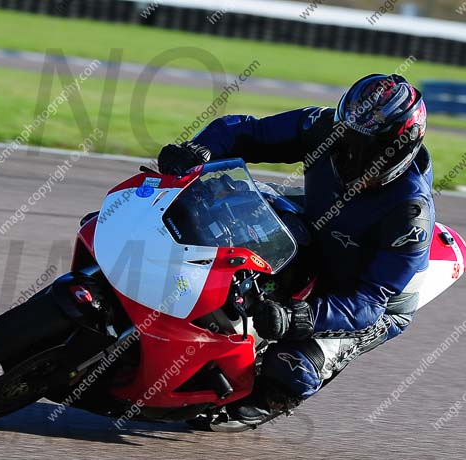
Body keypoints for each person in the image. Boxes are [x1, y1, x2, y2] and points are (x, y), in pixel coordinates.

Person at [157, 74, 434, 422]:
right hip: (319, 229)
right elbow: (245, 132)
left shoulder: (410, 215)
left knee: (291, 369)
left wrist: (300, 316)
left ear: (402, 147)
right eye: (348, 140)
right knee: (222, 206)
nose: (351, 155)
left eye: (370, 150)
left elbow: (368, 304)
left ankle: (258, 404)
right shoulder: (323, 127)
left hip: (368, 299)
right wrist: (196, 151)